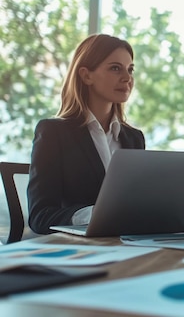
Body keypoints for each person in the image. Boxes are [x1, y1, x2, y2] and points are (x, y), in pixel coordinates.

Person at [27, 34, 145, 234]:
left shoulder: (134, 138)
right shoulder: (53, 133)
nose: (127, 78)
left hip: (127, 244)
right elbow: (40, 216)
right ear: (86, 75)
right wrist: (93, 214)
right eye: (115, 68)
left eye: (130, 69)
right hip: (79, 249)